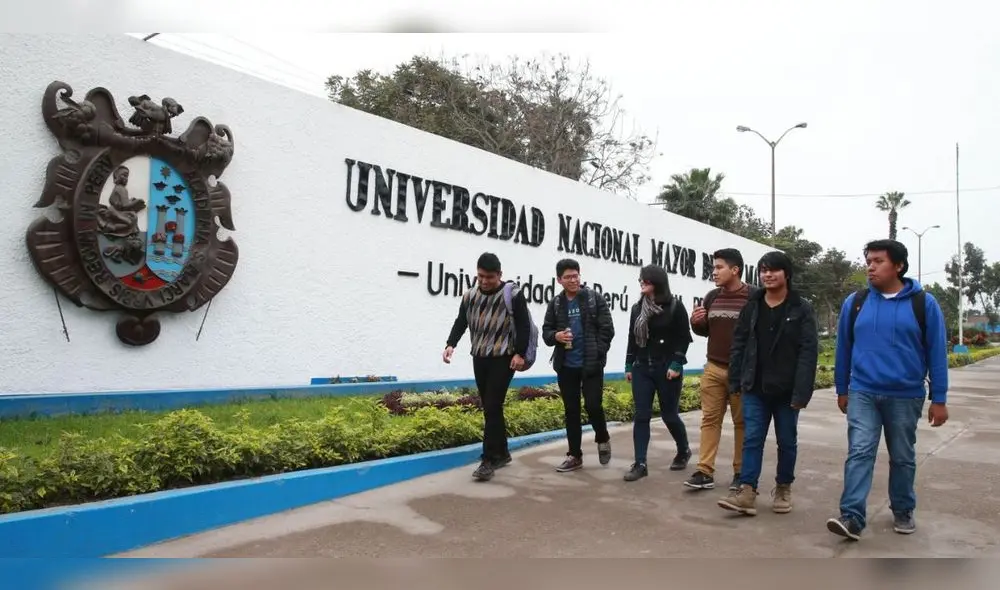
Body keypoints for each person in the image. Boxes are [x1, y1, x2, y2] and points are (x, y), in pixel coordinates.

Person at [826, 239, 949, 541]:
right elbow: (843, 348)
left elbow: (937, 353)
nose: (870, 266)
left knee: (903, 457)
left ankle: (903, 509)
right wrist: (842, 388)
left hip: (905, 395)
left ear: (898, 266)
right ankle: (852, 516)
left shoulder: (924, 303)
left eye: (878, 261)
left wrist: (940, 399)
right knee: (860, 452)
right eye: (868, 260)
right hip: (863, 392)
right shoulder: (855, 303)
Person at [717, 251, 818, 515]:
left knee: (786, 441)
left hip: (787, 390)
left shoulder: (800, 307)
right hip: (755, 387)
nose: (767, 275)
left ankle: (783, 486)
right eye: (763, 270)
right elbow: (739, 343)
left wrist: (802, 391)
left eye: (773, 270)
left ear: (786, 274)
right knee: (752, 439)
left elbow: (809, 352)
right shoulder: (753, 305)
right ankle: (747, 490)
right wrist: (736, 380)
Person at [444, 252, 530, 482]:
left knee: (492, 404)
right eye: (480, 276)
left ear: (499, 275)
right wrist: (450, 344)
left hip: (504, 357)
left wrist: (520, 353)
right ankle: (502, 453)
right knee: (491, 407)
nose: (484, 281)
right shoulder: (470, 295)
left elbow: (523, 325)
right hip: (480, 356)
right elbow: (461, 321)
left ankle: (488, 460)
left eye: (489, 277)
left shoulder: (512, 294)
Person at [685, 248, 756, 492]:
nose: (713, 272)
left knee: (741, 423)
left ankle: (740, 473)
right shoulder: (712, 296)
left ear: (735, 270)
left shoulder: (754, 297)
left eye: (718, 267)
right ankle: (704, 471)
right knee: (710, 419)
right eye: (713, 267)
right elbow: (707, 331)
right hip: (713, 368)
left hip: (741, 372)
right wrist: (697, 323)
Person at [541, 258, 616, 472]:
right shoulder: (556, 304)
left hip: (591, 365)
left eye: (576, 275)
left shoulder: (594, 298)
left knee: (593, 406)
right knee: (571, 410)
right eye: (568, 277)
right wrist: (556, 336)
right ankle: (574, 455)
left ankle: (602, 437)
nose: (573, 280)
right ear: (559, 280)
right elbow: (546, 332)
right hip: (566, 366)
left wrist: (598, 351)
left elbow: (607, 329)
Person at [623, 264, 694, 481]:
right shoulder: (638, 308)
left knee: (669, 415)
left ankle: (683, 450)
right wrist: (628, 365)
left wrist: (677, 363)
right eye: (640, 280)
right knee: (642, 415)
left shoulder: (674, 307)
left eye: (646, 280)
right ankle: (640, 463)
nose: (642, 283)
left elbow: (684, 338)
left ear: (657, 282)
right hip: (642, 367)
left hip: (666, 368)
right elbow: (632, 338)